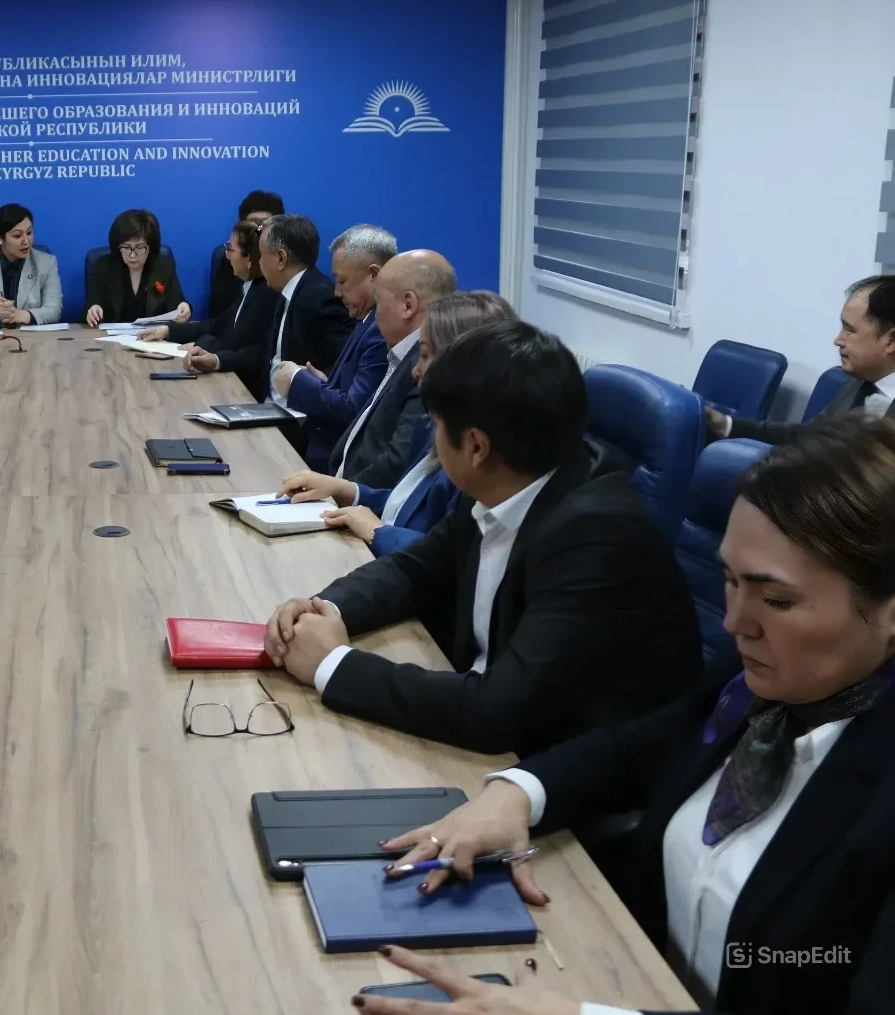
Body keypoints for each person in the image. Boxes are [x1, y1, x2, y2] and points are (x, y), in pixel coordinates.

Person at [371, 417, 895, 1015]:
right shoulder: (766, 673)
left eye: (776, 599)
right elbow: (647, 744)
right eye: (729, 581)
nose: (735, 622)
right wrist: (519, 793)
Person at [263, 320, 702, 757]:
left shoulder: (596, 539)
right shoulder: (508, 480)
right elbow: (414, 569)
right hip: (490, 733)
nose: (433, 439)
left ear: (476, 447)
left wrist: (334, 664)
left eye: (436, 425)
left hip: (556, 771)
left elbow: (498, 711)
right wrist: (324, 608)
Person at [324, 291, 517, 554]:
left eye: (425, 355)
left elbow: (449, 559)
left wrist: (378, 533)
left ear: (460, 366)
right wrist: (349, 491)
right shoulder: (434, 426)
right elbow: (406, 505)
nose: (415, 370)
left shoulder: (476, 458)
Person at [279, 249, 456, 496]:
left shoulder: (424, 368)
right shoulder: (401, 352)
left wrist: (337, 492)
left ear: (408, 305)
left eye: (379, 302)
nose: (375, 315)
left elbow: (396, 463)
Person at [707, 275, 895, 443]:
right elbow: (810, 436)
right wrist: (727, 425)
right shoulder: (858, 382)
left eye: (850, 330)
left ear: (891, 341)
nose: (838, 340)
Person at [187, 215, 352, 403]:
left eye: (261, 254)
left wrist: (309, 383)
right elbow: (263, 352)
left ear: (281, 258)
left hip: (293, 414)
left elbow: (345, 366)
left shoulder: (320, 297)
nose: (258, 262)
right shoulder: (287, 291)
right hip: (269, 405)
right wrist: (217, 361)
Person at [276, 224, 397, 469]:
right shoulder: (366, 318)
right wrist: (324, 383)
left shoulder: (382, 329)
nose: (337, 292)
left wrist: (297, 380)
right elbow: (352, 392)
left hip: (337, 466)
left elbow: (354, 411)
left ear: (374, 275)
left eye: (342, 281)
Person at [142, 220, 281, 399]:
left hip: (247, 391)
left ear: (249, 259)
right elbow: (217, 325)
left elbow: (241, 347)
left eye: (230, 249)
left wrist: (201, 344)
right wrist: (169, 330)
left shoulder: (264, 295)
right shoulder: (250, 288)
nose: (227, 256)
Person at [0, 203, 64, 326]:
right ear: (0, 237)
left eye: (29, 233)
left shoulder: (47, 263)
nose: (26, 241)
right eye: (17, 235)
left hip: (31, 335)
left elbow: (54, 310)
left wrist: (21, 315)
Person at [83, 209, 189, 327]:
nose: (132, 255)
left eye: (139, 247)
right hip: (112, 336)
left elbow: (176, 303)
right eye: (126, 247)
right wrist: (93, 309)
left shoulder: (163, 265)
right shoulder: (104, 265)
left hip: (154, 335)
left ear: (151, 246)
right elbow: (92, 304)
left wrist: (184, 308)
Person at [205, 189, 284, 319]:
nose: (259, 230)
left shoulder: (285, 262)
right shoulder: (229, 258)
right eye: (253, 223)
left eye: (265, 224)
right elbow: (219, 315)